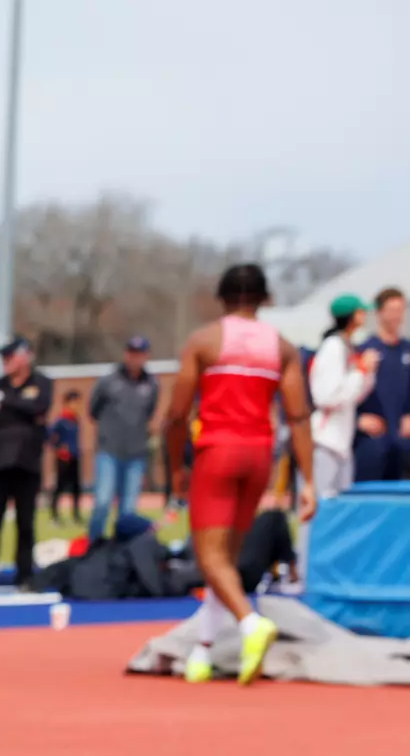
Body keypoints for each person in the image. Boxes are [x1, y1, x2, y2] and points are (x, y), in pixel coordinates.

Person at [164, 263, 315, 685]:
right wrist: (310, 482)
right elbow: (299, 417)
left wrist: (176, 468)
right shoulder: (282, 347)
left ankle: (250, 623)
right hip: (258, 456)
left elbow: (176, 417)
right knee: (226, 557)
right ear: (265, 298)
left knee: (208, 555)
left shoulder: (205, 341)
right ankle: (204, 649)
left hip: (218, 452)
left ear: (222, 297)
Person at [300, 294, 376, 572]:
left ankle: (333, 571)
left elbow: (353, 394)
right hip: (325, 441)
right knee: (313, 509)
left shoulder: (346, 346)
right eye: (360, 312)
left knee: (340, 513)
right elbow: (325, 396)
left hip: (342, 442)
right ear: (351, 315)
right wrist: (359, 374)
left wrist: (366, 373)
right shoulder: (332, 348)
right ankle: (305, 574)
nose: (364, 316)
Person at [0, 337, 53, 593]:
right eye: (4, 358)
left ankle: (25, 575)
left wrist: (7, 405)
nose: (6, 362)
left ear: (26, 356)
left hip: (27, 463)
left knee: (26, 523)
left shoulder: (41, 383)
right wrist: (24, 410)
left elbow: (40, 407)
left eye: (11, 357)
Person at [85, 336, 159, 543]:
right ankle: (93, 547)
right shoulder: (109, 381)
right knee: (102, 502)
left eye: (140, 354)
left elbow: (149, 413)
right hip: (109, 450)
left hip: (136, 453)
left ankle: (122, 553)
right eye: (131, 353)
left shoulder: (151, 384)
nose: (135, 358)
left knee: (128, 510)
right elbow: (93, 410)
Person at [354, 286, 409, 481]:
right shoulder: (363, 351)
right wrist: (358, 419)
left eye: (400, 310)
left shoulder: (407, 350)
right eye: (392, 311)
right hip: (373, 444)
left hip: (403, 444)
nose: (397, 316)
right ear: (379, 313)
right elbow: (344, 394)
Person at [47, 390, 83, 524]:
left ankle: (76, 515)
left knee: (76, 487)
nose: (77, 406)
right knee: (60, 486)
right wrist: (59, 447)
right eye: (75, 403)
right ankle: (54, 515)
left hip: (74, 456)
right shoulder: (61, 420)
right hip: (63, 458)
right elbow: (49, 435)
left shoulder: (75, 420)